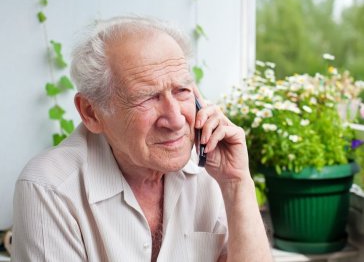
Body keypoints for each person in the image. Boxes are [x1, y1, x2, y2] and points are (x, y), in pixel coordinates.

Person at [12, 16, 272, 262]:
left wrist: (237, 183)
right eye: (147, 97)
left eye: (181, 90)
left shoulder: (211, 169)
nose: (176, 120)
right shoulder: (50, 188)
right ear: (92, 113)